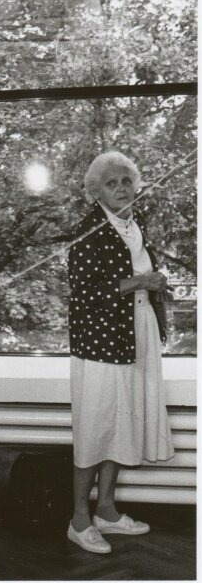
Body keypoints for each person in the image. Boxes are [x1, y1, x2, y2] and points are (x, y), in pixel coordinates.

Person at [66, 151, 174, 554]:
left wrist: (153, 283)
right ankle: (79, 519)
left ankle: (106, 511)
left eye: (126, 180)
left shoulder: (135, 223)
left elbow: (140, 278)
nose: (122, 189)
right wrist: (139, 281)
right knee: (95, 429)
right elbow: (84, 295)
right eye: (111, 183)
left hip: (137, 334)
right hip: (100, 344)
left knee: (120, 426)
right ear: (97, 191)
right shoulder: (87, 231)